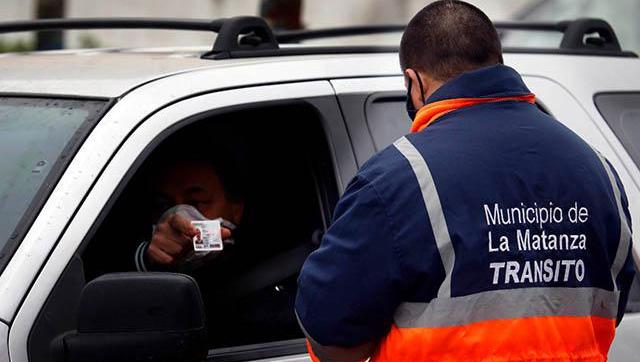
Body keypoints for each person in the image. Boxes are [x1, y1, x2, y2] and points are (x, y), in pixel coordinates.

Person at [294, 1, 635, 361]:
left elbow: (329, 334)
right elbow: (610, 305)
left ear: (415, 82)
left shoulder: (399, 180)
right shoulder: (599, 172)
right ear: (498, 62)